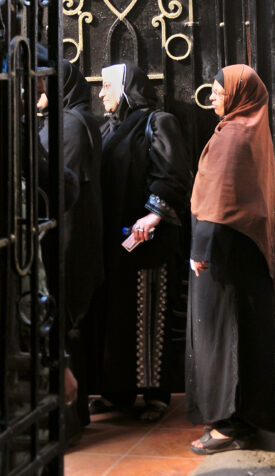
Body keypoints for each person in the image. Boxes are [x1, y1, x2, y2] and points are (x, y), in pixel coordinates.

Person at [92, 63, 192, 422]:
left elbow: (174, 173)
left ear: (125, 88)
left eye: (106, 86)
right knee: (117, 317)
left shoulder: (158, 122)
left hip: (148, 240)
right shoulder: (108, 128)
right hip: (115, 242)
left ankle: (155, 395)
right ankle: (117, 393)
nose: (101, 93)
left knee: (149, 316)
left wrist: (152, 215)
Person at [186, 65, 275, 455]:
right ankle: (242, 418)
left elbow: (219, 201)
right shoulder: (251, 128)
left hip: (225, 257)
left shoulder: (234, 135)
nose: (212, 98)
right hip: (243, 253)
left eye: (218, 92)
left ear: (237, 94)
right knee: (242, 335)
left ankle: (229, 423)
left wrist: (201, 252)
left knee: (226, 338)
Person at [37, 60, 104, 436]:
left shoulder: (70, 124)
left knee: (64, 329)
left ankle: (67, 421)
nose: (40, 91)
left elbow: (64, 190)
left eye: (45, 83)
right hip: (72, 241)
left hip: (68, 244)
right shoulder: (71, 120)